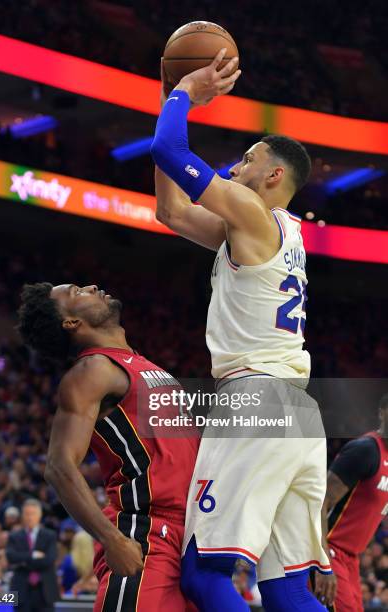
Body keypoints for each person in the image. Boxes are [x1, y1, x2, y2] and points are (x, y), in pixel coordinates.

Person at [151, 50, 333, 611]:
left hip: (254, 401)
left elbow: (168, 149)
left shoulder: (252, 215)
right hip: (299, 411)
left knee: (204, 576)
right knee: (287, 590)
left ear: (273, 175)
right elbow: (172, 212)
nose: (235, 166)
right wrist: (169, 100)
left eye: (248, 158)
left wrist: (183, 91)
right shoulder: (276, 231)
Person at [17, 282, 199, 611]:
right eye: (76, 292)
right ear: (71, 322)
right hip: (146, 535)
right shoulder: (92, 370)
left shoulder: (145, 366)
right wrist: (112, 539)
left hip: (191, 536)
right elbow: (59, 466)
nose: (92, 286)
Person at [323, 394, 388, 611]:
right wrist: (323, 563)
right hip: (330, 549)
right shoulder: (365, 450)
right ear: (381, 412)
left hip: (352, 558)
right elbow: (319, 503)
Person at [6, 499, 59, 612]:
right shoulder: (14, 536)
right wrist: (32, 555)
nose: (30, 517)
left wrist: (23, 561)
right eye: (27, 514)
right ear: (22, 516)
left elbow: (49, 559)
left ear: (39, 515)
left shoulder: (50, 535)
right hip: (22, 590)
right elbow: (11, 557)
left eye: (33, 514)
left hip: (45, 591)